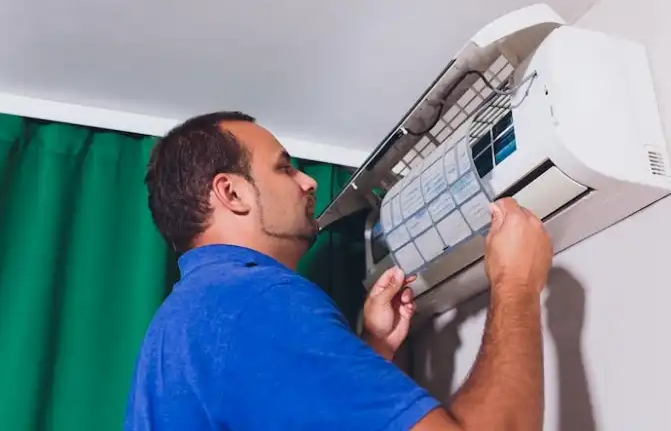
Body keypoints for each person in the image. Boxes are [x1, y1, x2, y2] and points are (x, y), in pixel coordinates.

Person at [124, 111, 553, 431]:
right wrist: (516, 283)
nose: (308, 182)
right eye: (284, 167)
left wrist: (374, 347)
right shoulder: (255, 301)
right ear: (232, 192)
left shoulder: (183, 321)